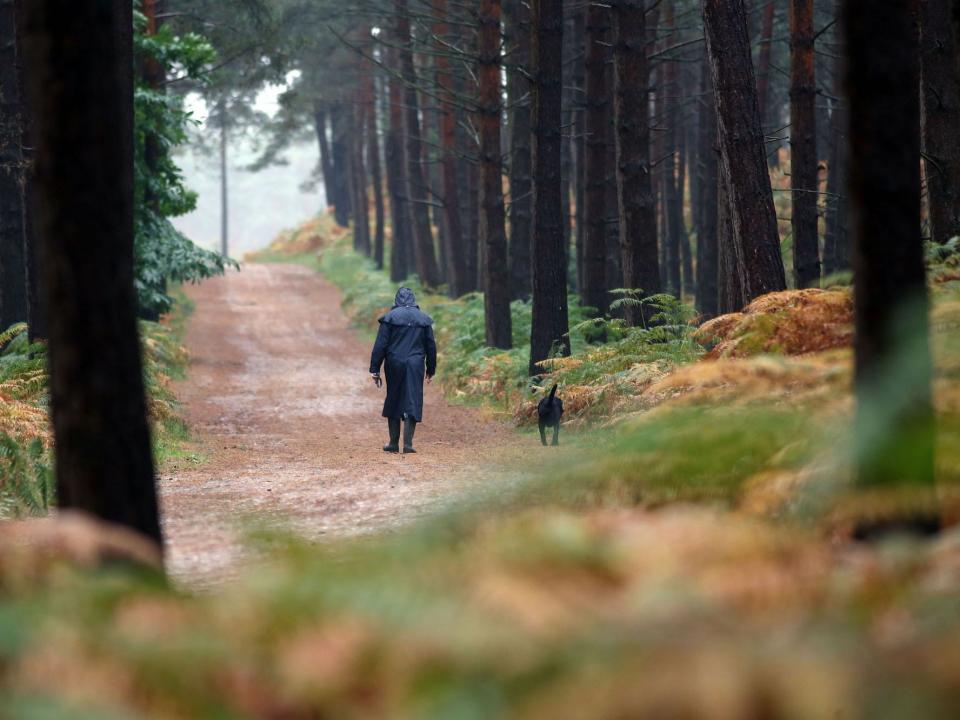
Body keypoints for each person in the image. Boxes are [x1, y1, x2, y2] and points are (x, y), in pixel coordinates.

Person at [369, 287, 437, 454]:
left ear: (396, 300)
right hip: (415, 364)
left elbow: (381, 345)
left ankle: (393, 443)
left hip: (394, 363)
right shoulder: (423, 320)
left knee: (394, 396)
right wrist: (431, 369)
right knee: (412, 397)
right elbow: (431, 346)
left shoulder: (390, 318)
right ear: (413, 300)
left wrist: (375, 369)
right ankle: (408, 443)